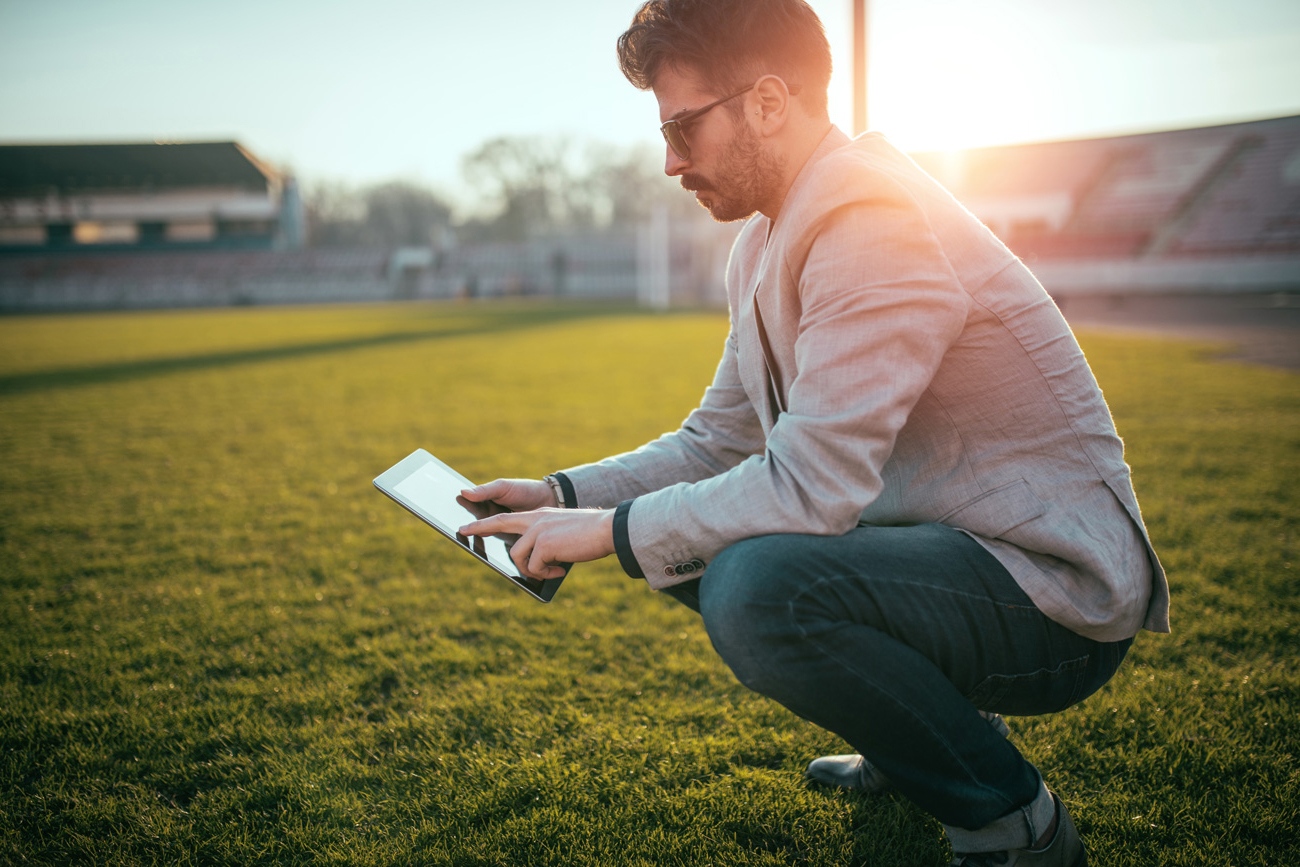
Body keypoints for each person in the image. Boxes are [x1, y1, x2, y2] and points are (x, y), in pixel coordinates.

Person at [459, 1, 1170, 864]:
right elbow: (714, 439)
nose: (672, 160)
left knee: (754, 582)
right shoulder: (766, 237)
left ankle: (1017, 825)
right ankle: (914, 743)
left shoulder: (872, 215)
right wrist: (559, 495)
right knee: (711, 546)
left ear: (767, 102)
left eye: (684, 125)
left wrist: (610, 531)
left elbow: (811, 485)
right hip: (950, 556)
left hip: (1053, 593)